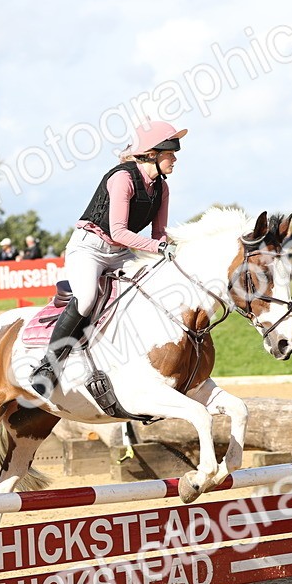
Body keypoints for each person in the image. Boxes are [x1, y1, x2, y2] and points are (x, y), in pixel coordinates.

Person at [29, 120, 185, 398]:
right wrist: (159, 248)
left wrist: (171, 249)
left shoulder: (162, 188)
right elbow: (119, 231)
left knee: (151, 287)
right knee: (87, 298)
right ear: (152, 154)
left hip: (120, 253)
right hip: (89, 248)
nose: (174, 159)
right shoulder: (122, 178)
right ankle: (47, 366)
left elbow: (158, 233)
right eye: (170, 153)